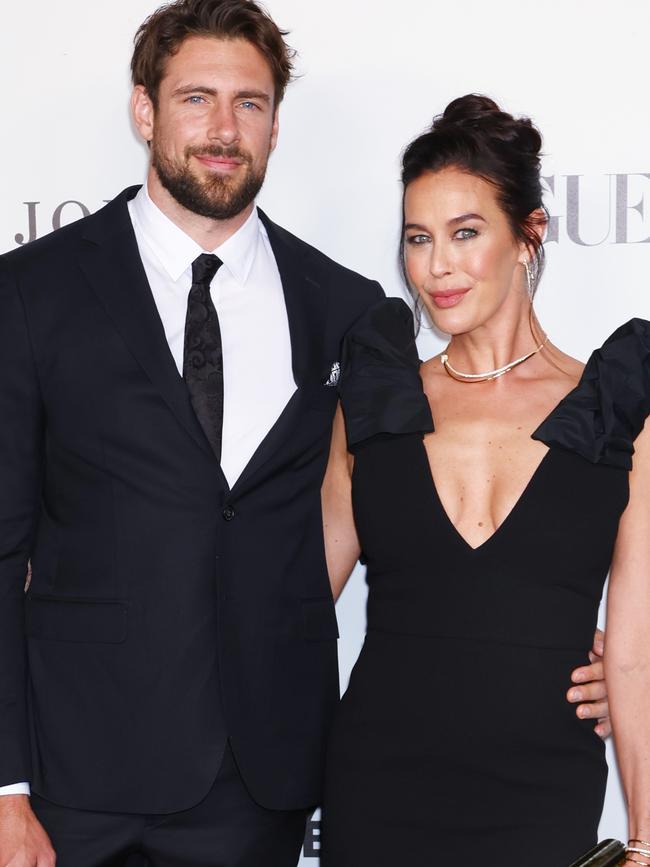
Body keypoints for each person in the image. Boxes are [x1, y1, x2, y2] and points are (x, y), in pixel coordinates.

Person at [0, 6, 609, 865]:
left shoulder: (348, 314)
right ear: (145, 111)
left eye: (249, 103)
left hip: (264, 789)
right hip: (73, 789)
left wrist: (585, 659)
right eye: (197, 98)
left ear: (277, 126)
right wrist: (4, 786)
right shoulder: (32, 293)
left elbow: (384, 534)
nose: (223, 128)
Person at [319, 95, 649, 867]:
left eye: (466, 233)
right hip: (378, 791)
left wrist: (643, 837)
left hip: (541, 798)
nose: (437, 266)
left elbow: (632, 655)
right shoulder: (376, 403)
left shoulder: (616, 411)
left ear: (528, 235)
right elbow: (296, 604)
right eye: (418, 239)